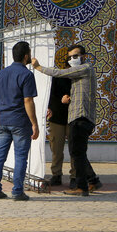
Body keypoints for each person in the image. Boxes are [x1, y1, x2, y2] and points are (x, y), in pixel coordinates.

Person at [32, 44, 102, 196]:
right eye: (70, 57)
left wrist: (38, 67)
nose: (72, 59)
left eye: (75, 56)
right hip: (75, 117)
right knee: (78, 152)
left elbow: (59, 73)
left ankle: (81, 187)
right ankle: (93, 180)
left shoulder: (85, 69)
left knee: (77, 153)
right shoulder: (79, 75)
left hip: (81, 117)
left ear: (84, 56)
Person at [0, 41, 39, 201]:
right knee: (20, 157)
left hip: (3, 120)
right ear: (26, 56)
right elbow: (28, 101)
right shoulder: (27, 75)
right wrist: (35, 124)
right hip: (20, 122)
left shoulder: (1, 74)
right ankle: (17, 191)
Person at [46, 55, 75, 187]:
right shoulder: (57, 78)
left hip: (73, 117)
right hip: (57, 118)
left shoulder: (81, 79)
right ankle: (56, 174)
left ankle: (75, 176)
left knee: (75, 149)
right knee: (56, 149)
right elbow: (49, 96)